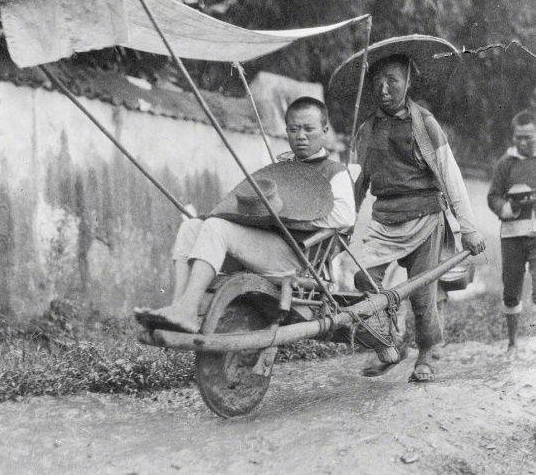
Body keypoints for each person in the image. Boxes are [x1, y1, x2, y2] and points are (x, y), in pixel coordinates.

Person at [134, 96, 356, 333]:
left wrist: (289, 215)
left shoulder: (335, 172)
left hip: (298, 256)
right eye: (293, 129)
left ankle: (187, 312)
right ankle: (180, 307)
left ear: (324, 130)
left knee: (217, 228)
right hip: (263, 248)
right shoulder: (281, 169)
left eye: (309, 129)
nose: (301, 136)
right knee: (191, 227)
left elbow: (344, 218)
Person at [348, 50, 485, 383]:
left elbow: (450, 175)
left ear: (407, 81)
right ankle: (389, 345)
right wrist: (341, 226)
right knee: (365, 282)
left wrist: (469, 229)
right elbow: (355, 184)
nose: (383, 89)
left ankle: (426, 354)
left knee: (423, 297)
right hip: (384, 222)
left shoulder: (425, 123)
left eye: (391, 80)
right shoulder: (366, 130)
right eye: (377, 81)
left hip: (425, 219)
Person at [487, 108, 536, 357]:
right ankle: (513, 343)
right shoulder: (505, 163)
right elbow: (493, 196)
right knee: (511, 289)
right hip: (513, 235)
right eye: (519, 137)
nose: (523, 142)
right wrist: (508, 207)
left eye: (529, 136)